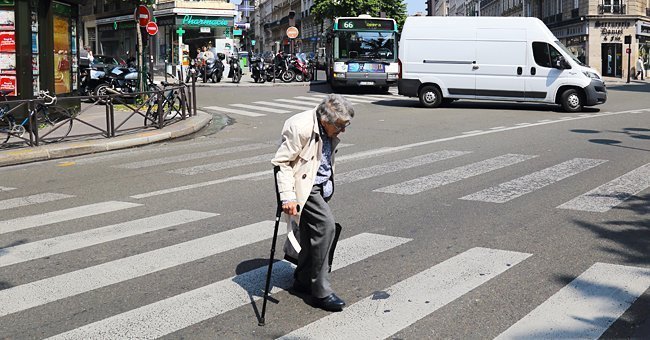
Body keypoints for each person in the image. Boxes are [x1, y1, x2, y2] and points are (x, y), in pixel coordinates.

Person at [271, 94, 354, 312]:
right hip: (305, 189)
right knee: (326, 229)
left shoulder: (327, 126)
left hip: (320, 186)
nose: (343, 131)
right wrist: (287, 197)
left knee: (311, 235)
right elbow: (282, 162)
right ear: (326, 120)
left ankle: (302, 280)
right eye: (340, 126)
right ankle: (321, 291)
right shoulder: (300, 127)